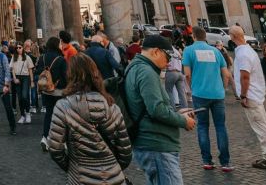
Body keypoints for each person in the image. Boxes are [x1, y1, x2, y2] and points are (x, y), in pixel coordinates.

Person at [47, 54, 132, 185]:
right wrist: (112, 167)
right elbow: (125, 152)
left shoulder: (63, 107)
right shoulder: (113, 107)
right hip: (115, 178)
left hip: (80, 177)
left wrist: (71, 166)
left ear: (70, 76)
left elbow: (55, 149)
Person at [124, 35, 196, 184]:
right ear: (156, 51)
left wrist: (175, 113)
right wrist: (183, 121)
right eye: (168, 56)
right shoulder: (146, 72)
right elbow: (157, 110)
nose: (169, 62)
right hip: (156, 145)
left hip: (151, 144)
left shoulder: (135, 68)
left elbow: (151, 106)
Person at [182, 26, 232, 172]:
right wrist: (223, 88)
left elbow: (187, 74)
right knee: (221, 127)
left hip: (200, 94)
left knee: (203, 127)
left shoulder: (188, 50)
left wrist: (192, 88)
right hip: (217, 94)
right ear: (205, 37)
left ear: (193, 36)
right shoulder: (216, 51)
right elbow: (226, 74)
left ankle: (207, 161)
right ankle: (225, 162)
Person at [230, 26, 266, 169]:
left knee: (261, 127)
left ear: (233, 37)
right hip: (254, 94)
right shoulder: (248, 50)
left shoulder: (243, 54)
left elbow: (245, 76)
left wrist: (243, 96)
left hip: (250, 95)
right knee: (261, 126)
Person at [35, 37, 68, 150]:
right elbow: (65, 77)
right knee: (61, 116)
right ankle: (62, 141)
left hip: (46, 91)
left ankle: (45, 138)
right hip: (58, 92)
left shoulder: (42, 57)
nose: (61, 45)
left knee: (49, 114)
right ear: (56, 45)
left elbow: (37, 73)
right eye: (59, 43)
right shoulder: (61, 59)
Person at [10, 43, 34, 124]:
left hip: (25, 77)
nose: (18, 49)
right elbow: (12, 69)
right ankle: (23, 115)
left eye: (20, 47)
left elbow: (30, 70)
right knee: (20, 98)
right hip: (17, 77)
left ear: (23, 48)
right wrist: (14, 78)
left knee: (24, 96)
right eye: (16, 48)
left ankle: (27, 113)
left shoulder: (27, 57)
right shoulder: (14, 57)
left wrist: (32, 81)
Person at [164, 42, 188, 109]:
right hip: (179, 73)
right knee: (181, 92)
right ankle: (185, 108)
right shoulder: (176, 51)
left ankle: (173, 109)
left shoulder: (167, 50)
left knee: (169, 91)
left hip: (171, 72)